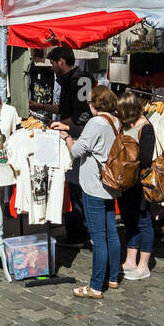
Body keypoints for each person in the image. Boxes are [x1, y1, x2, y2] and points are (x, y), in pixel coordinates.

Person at [55, 84, 121, 300]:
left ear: (94, 105)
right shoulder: (115, 121)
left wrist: (66, 138)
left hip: (94, 184)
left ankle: (95, 286)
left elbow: (76, 151)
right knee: (111, 232)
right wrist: (70, 131)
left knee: (98, 238)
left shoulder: (95, 122)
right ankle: (112, 278)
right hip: (110, 184)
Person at [30, 45, 94, 247]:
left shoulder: (80, 80)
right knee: (73, 185)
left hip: (77, 138)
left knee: (75, 185)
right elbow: (66, 109)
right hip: (71, 134)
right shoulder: (71, 80)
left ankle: (79, 234)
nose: (52, 68)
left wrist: (62, 126)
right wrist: (40, 107)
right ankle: (78, 231)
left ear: (60, 61)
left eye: (52, 63)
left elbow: (82, 116)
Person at [115, 92, 158, 281]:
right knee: (129, 220)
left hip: (139, 183)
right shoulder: (125, 125)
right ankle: (130, 259)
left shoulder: (146, 128)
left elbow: (145, 160)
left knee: (143, 221)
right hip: (125, 182)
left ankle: (144, 264)